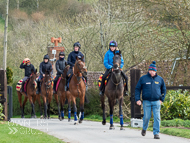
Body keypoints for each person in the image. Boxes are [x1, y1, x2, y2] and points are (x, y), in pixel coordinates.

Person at [135, 61, 166, 139]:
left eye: (153, 71)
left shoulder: (160, 79)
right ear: (148, 71)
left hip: (157, 101)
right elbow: (137, 89)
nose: (152, 72)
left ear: (155, 71)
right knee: (147, 117)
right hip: (146, 101)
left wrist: (162, 99)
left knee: (157, 117)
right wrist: (137, 99)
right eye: (150, 70)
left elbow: (164, 90)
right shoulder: (143, 78)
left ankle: (156, 133)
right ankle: (144, 129)